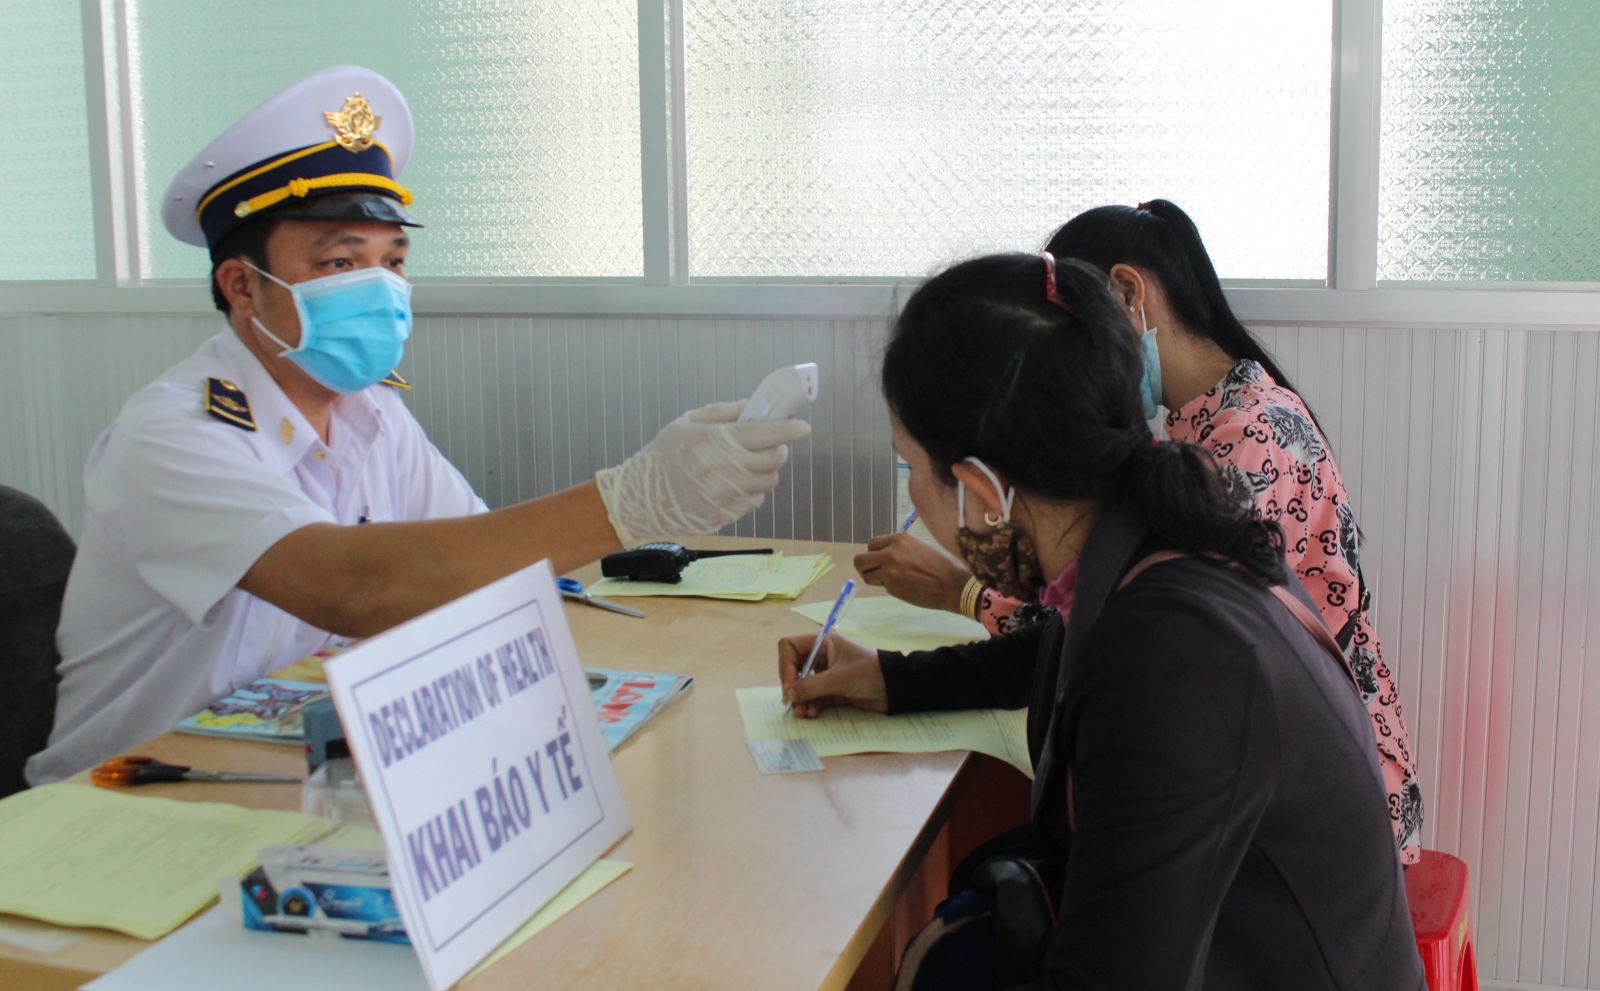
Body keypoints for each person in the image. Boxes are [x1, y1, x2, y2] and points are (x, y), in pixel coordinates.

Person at [26, 66, 807, 784]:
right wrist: (632, 501)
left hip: (292, 772)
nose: (381, 287)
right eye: (340, 264)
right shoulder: (175, 432)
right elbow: (355, 586)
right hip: (132, 796)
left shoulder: (371, 413)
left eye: (392, 261)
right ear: (241, 285)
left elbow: (473, 570)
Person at [783, 253, 1424, 989]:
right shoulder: (1146, 532)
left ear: (978, 490)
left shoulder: (1175, 649)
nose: (915, 501)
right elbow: (1047, 651)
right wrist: (887, 680)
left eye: (911, 469)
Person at [855, 199, 1422, 863]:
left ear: (1128, 293)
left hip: (1313, 809)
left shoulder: (1252, 440)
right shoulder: (1196, 423)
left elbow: (1105, 632)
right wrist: (891, 679)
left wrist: (966, 592)